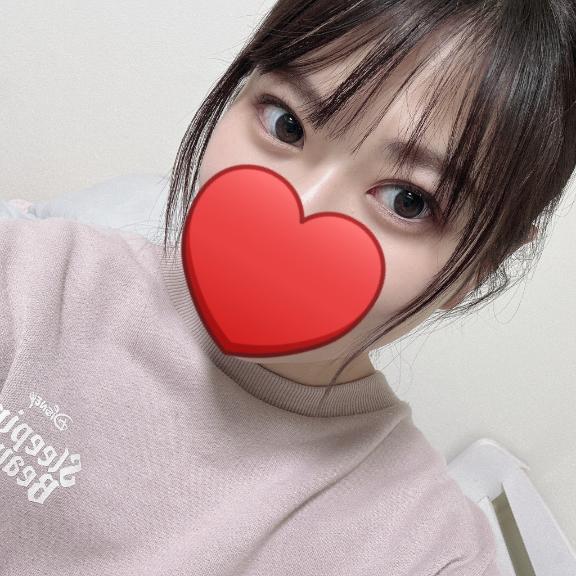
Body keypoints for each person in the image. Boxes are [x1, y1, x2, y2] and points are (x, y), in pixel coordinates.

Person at [1, 1, 574, 575]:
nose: (302, 207)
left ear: (484, 265)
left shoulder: (430, 553)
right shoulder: (31, 278)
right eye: (286, 123)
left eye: (409, 201)